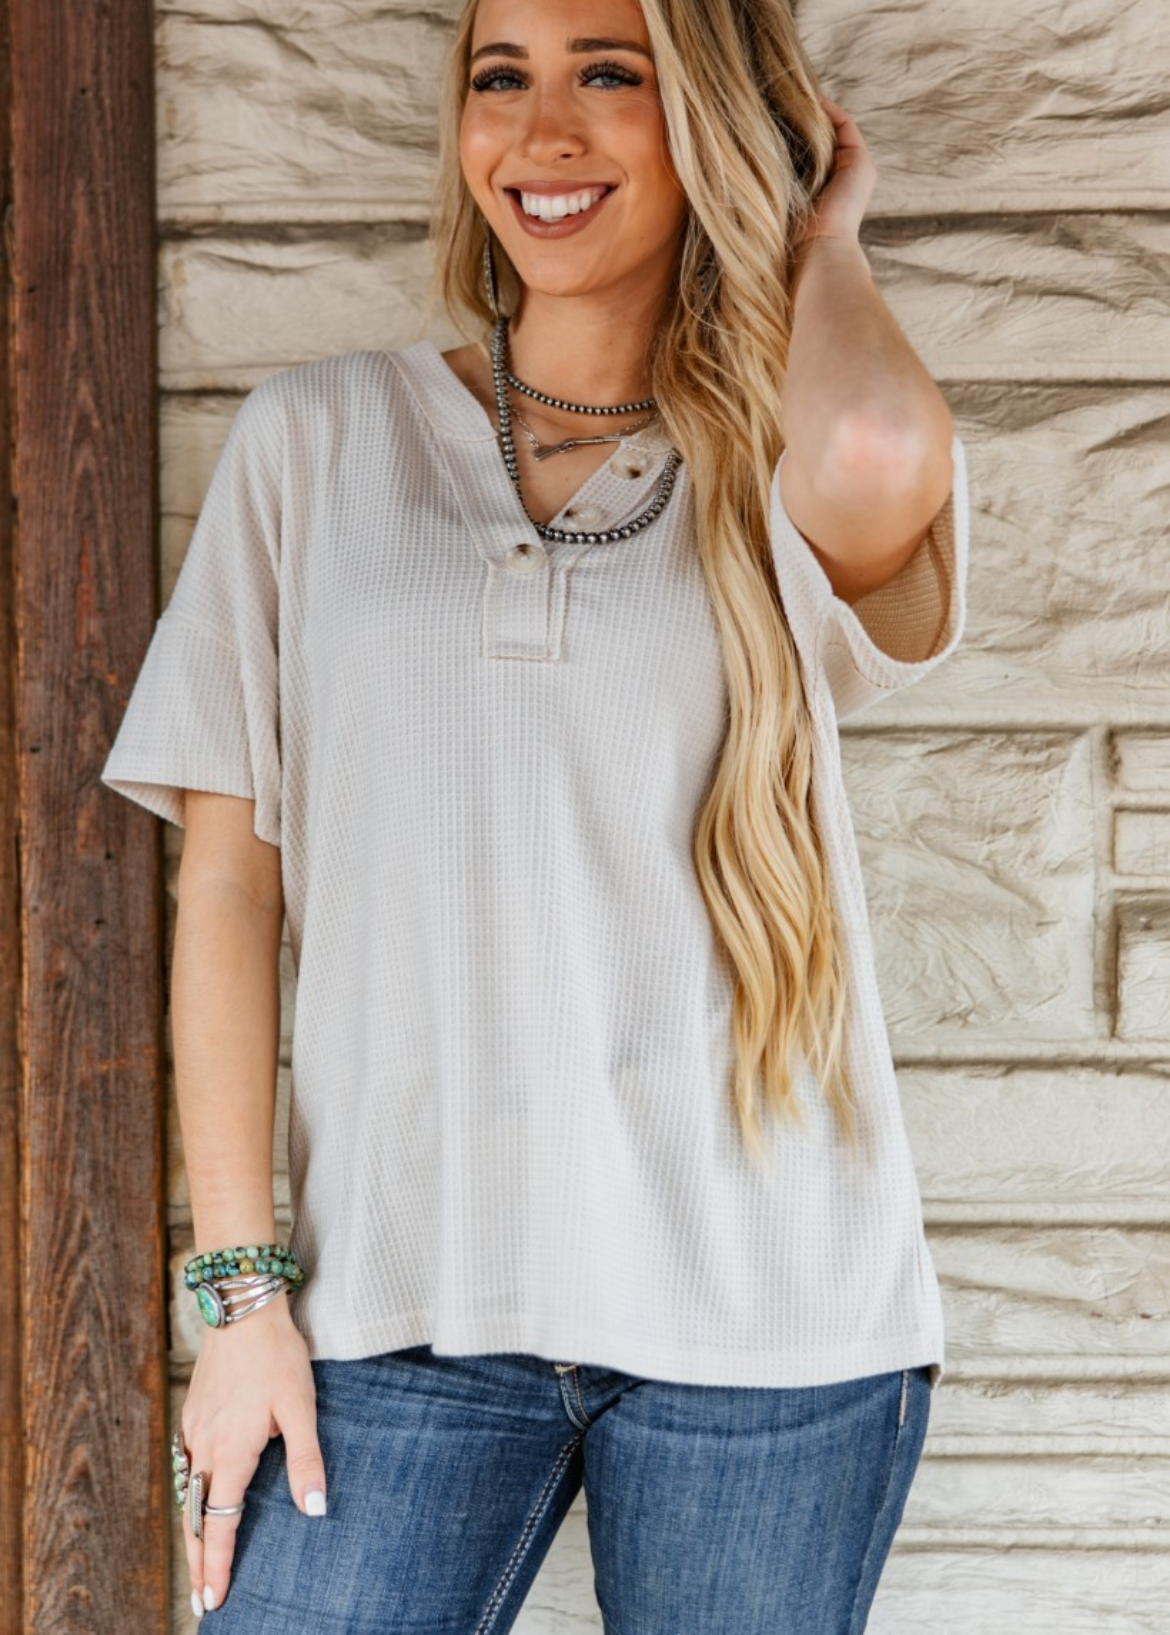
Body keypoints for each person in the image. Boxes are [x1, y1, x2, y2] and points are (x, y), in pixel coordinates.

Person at [101, 0, 969, 1628]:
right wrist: (240, 1296)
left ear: (711, 125)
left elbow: (870, 441)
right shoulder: (316, 438)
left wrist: (819, 236)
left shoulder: (778, 453)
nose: (538, 130)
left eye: (609, 75)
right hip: (399, 1308)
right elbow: (225, 888)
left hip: (769, 1313)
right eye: (498, 77)